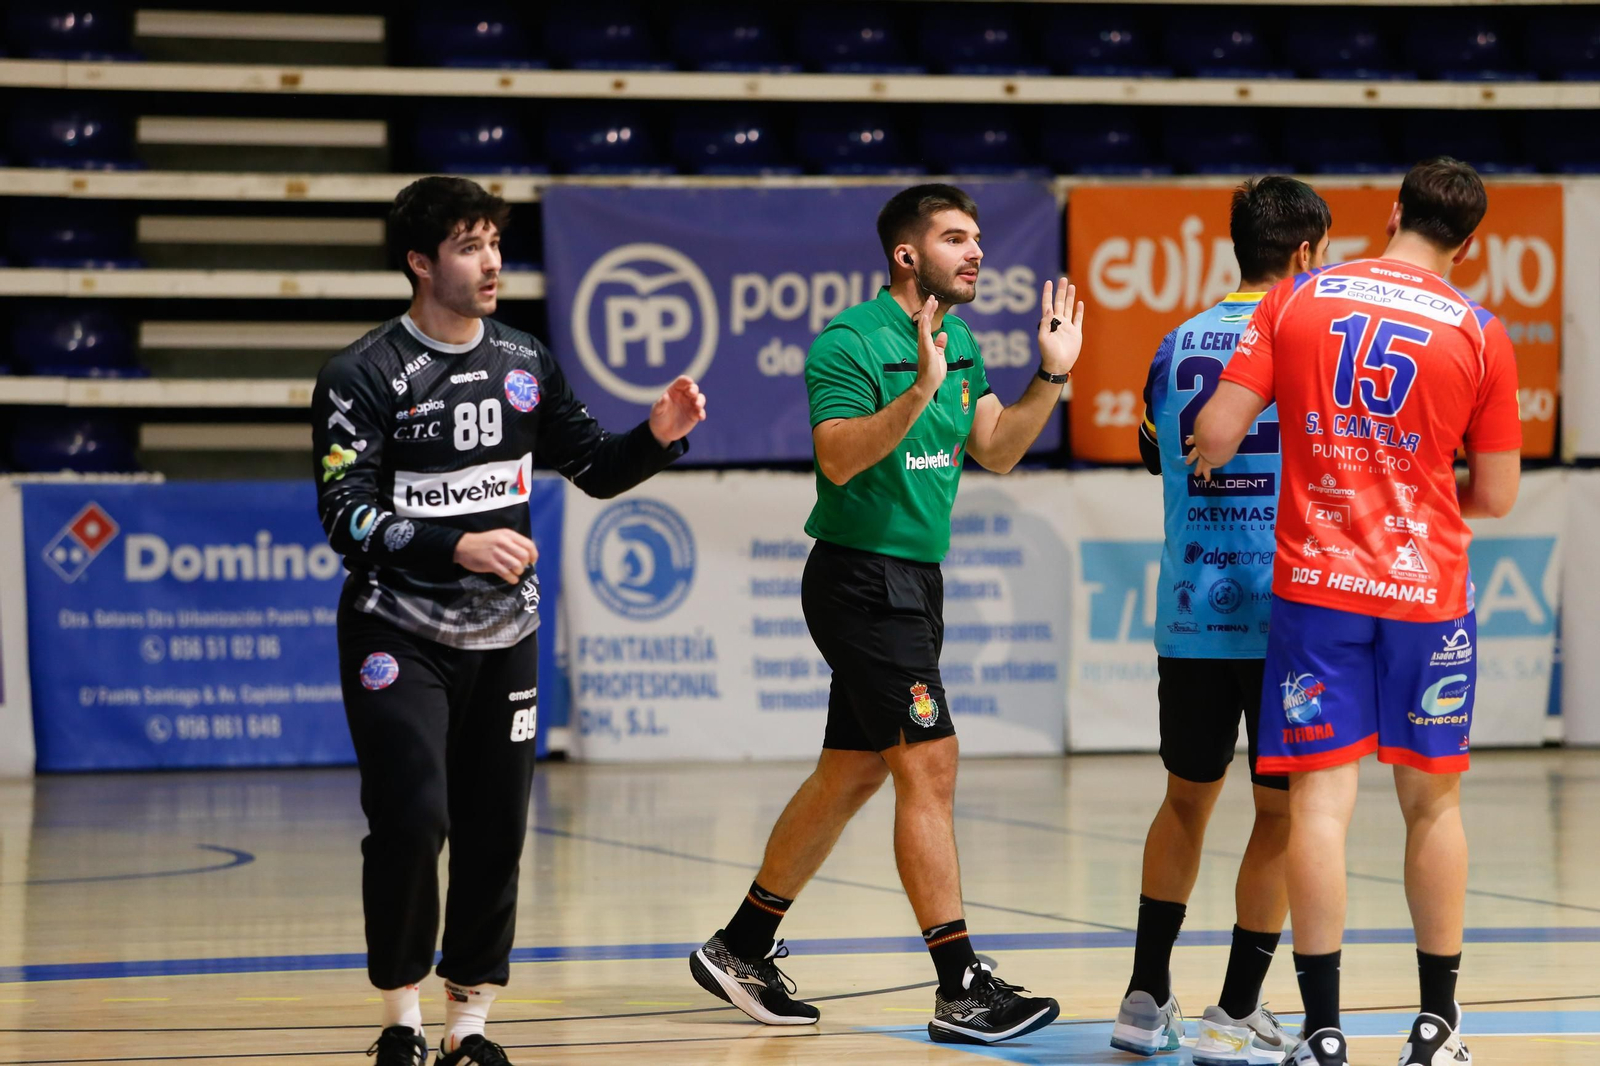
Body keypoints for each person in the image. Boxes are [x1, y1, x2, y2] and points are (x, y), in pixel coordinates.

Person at [311, 176, 705, 1066]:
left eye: (495, 243)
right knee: (413, 817)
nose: (492, 262)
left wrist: (655, 435)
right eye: (469, 246)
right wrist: (458, 545)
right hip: (396, 629)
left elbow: (594, 466)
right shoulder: (360, 374)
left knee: (497, 830)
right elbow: (347, 516)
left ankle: (470, 1025)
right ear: (420, 263)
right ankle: (400, 1018)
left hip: (507, 635)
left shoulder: (525, 360)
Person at [688, 183, 1081, 1045]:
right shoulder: (850, 341)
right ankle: (961, 986)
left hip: (915, 582)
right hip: (860, 580)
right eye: (955, 238)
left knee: (853, 773)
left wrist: (1053, 373)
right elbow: (836, 459)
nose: (976, 252)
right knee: (930, 766)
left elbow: (998, 449)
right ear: (907, 255)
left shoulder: (963, 341)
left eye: (977, 238)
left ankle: (740, 945)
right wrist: (917, 392)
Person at [1190, 157, 1522, 1066]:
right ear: (1469, 244)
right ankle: (1437, 1027)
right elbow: (1496, 496)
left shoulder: (1295, 298)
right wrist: (1420, 485)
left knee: (1320, 809)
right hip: (1427, 592)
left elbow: (1214, 435)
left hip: (1317, 589)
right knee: (1432, 805)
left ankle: (1324, 1032)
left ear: (1391, 213)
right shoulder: (1481, 331)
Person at [1113, 177, 1330, 1065]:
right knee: (1282, 814)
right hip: (1289, 615)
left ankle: (1142, 998)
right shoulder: (1312, 339)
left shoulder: (1176, 343)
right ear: (1306, 252)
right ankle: (1236, 1011)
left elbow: (1152, 451)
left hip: (1194, 609)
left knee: (1183, 801)